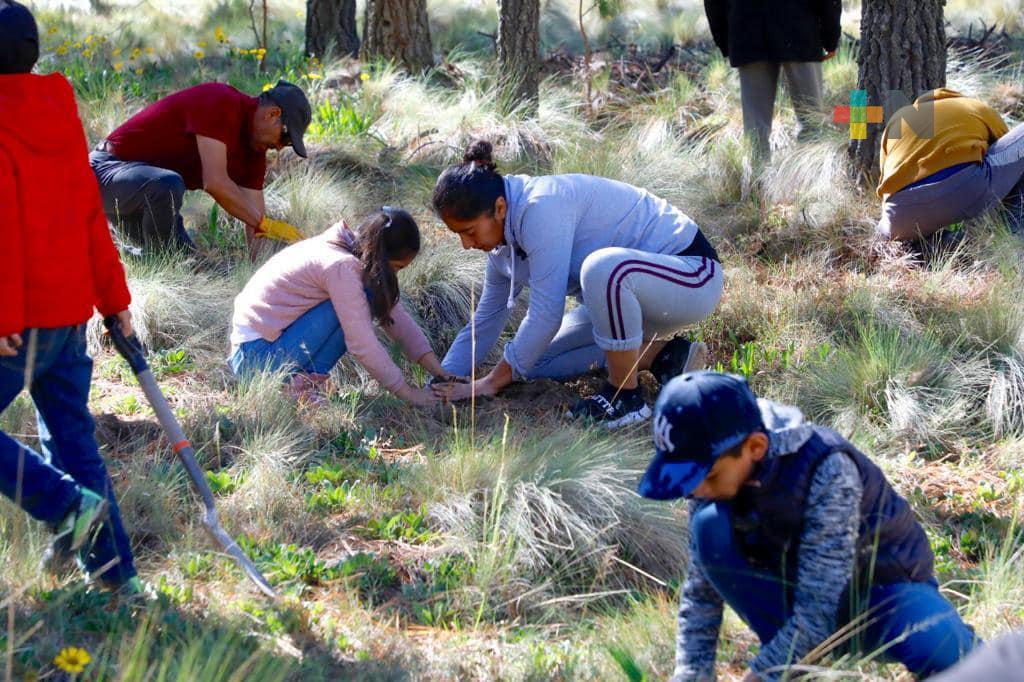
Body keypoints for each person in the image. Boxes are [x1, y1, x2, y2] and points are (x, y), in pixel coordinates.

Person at [638, 371, 978, 681]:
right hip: (799, 599)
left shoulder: (827, 470)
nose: (696, 491)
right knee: (709, 526)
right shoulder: (717, 464)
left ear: (755, 447)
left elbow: (818, 610)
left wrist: (761, 676)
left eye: (707, 476)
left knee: (947, 652)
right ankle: (796, 663)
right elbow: (700, 596)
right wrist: (691, 676)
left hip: (884, 593)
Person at [431, 141, 723, 428]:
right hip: (629, 303)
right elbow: (487, 318)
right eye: (459, 235)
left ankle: (625, 397)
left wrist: (491, 382)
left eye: (469, 232)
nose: (466, 245)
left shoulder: (540, 207)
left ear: (499, 207)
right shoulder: (499, 242)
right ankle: (663, 356)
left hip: (692, 276)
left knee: (601, 268)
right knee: (530, 362)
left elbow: (546, 316)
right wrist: (441, 381)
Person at [1, 0, 140, 592]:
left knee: (70, 462)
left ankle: (62, 507)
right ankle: (118, 578)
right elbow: (89, 214)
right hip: (69, 318)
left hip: (17, 320)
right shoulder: (58, 113)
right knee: (73, 441)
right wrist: (113, 300)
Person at [229, 208, 449, 406]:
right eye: (397, 268)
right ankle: (291, 386)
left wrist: (439, 372)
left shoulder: (351, 250)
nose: (396, 275)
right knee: (361, 300)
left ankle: (297, 384)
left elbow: (395, 316)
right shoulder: (340, 267)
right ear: (382, 258)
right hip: (255, 361)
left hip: (256, 352)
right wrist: (407, 393)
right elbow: (362, 343)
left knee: (367, 295)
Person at [90, 79, 311, 253]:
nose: (281, 148)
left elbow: (256, 235)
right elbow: (215, 182)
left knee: (187, 263)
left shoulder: (255, 153)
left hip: (148, 202)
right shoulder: (222, 102)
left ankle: (120, 255)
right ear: (273, 114)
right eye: (286, 138)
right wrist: (266, 225)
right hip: (104, 173)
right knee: (167, 184)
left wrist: (289, 258)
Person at [876, 88, 1024, 241]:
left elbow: (885, 186)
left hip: (896, 219)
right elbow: (1010, 155)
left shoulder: (897, 120)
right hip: (963, 191)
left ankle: (936, 244)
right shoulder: (973, 106)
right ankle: (1013, 236)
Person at [704, 0, 842, 158]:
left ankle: (758, 180)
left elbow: (713, 3)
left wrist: (725, 42)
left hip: (748, 35)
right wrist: (831, 37)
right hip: (800, 33)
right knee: (812, 122)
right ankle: (808, 178)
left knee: (756, 130)